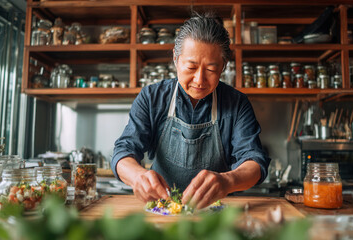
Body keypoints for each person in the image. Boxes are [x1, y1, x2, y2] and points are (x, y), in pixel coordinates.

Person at [111, 12, 270, 209]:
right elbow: (123, 151)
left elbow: (254, 161)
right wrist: (138, 176)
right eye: (191, 67)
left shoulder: (237, 104)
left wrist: (227, 181)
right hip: (163, 209)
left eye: (211, 70)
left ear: (223, 67)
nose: (200, 80)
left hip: (215, 215)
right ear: (176, 59)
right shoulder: (152, 98)